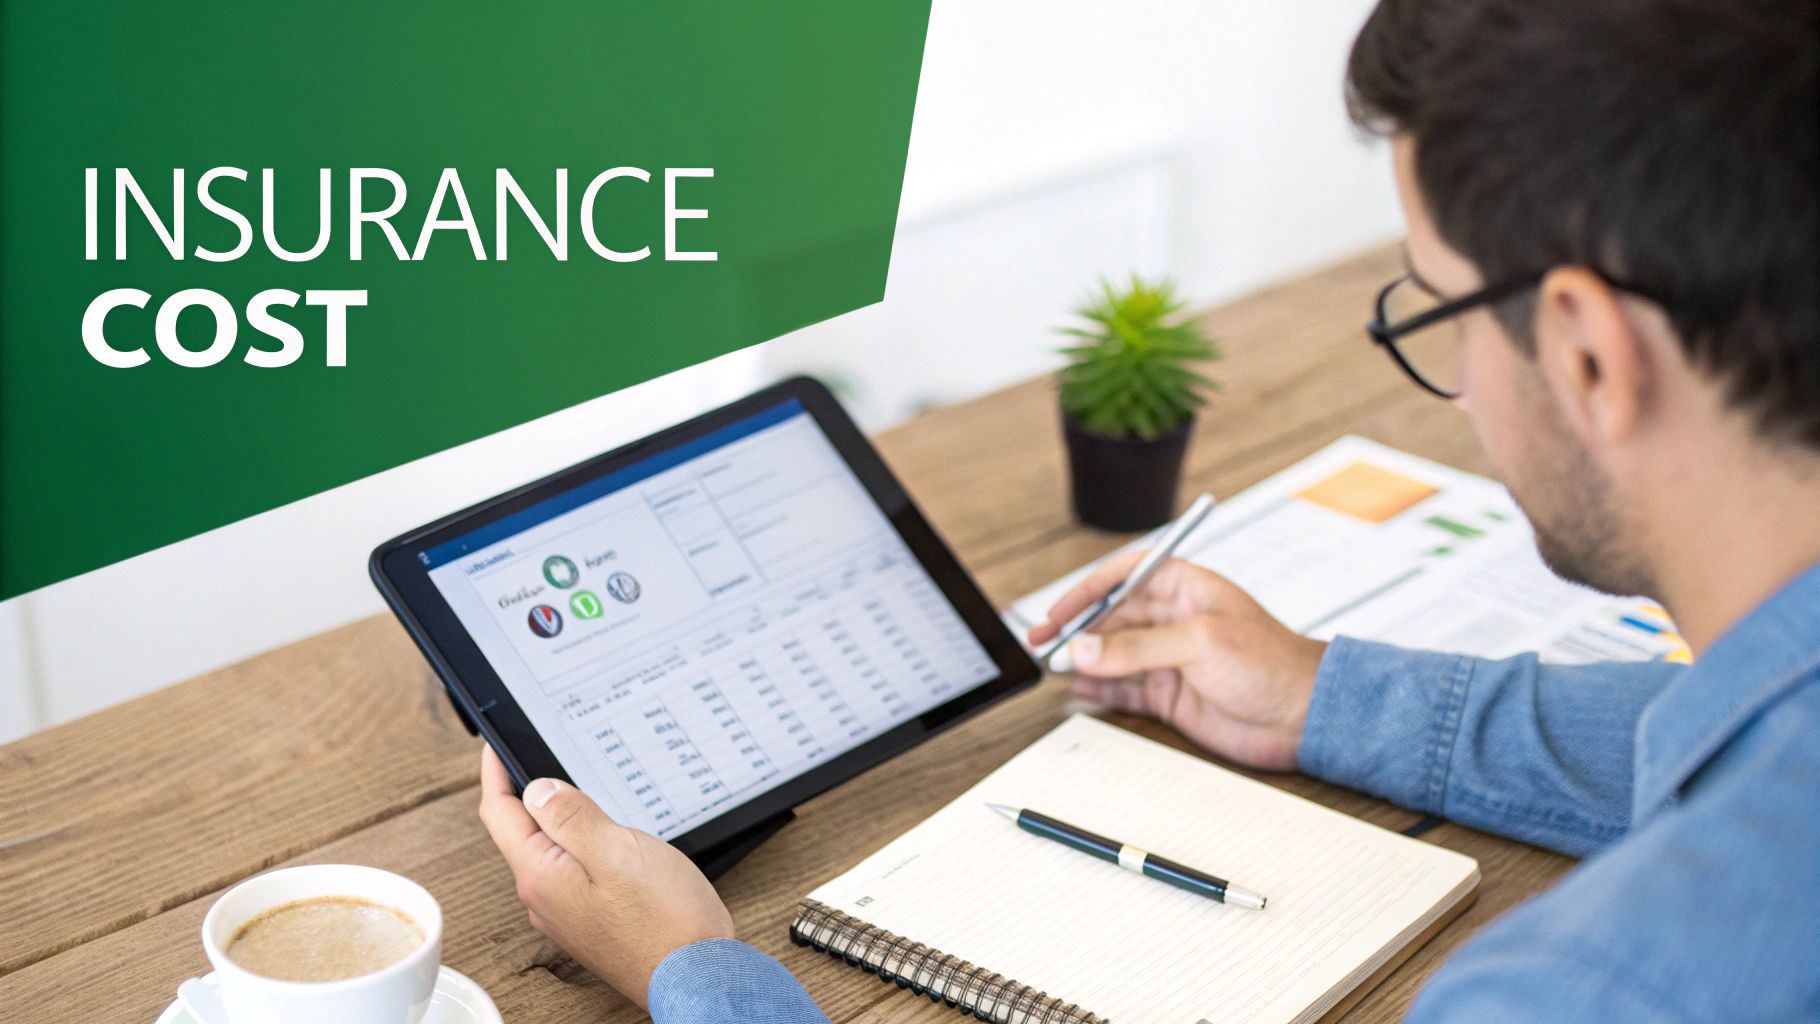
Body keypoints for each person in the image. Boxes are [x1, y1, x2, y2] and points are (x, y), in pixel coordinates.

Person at [476, 0, 1819, 1018]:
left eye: (1437, 305)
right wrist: (1321, 697)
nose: (1454, 377)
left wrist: (692, 971)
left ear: (1589, 352)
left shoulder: (1593, 986)